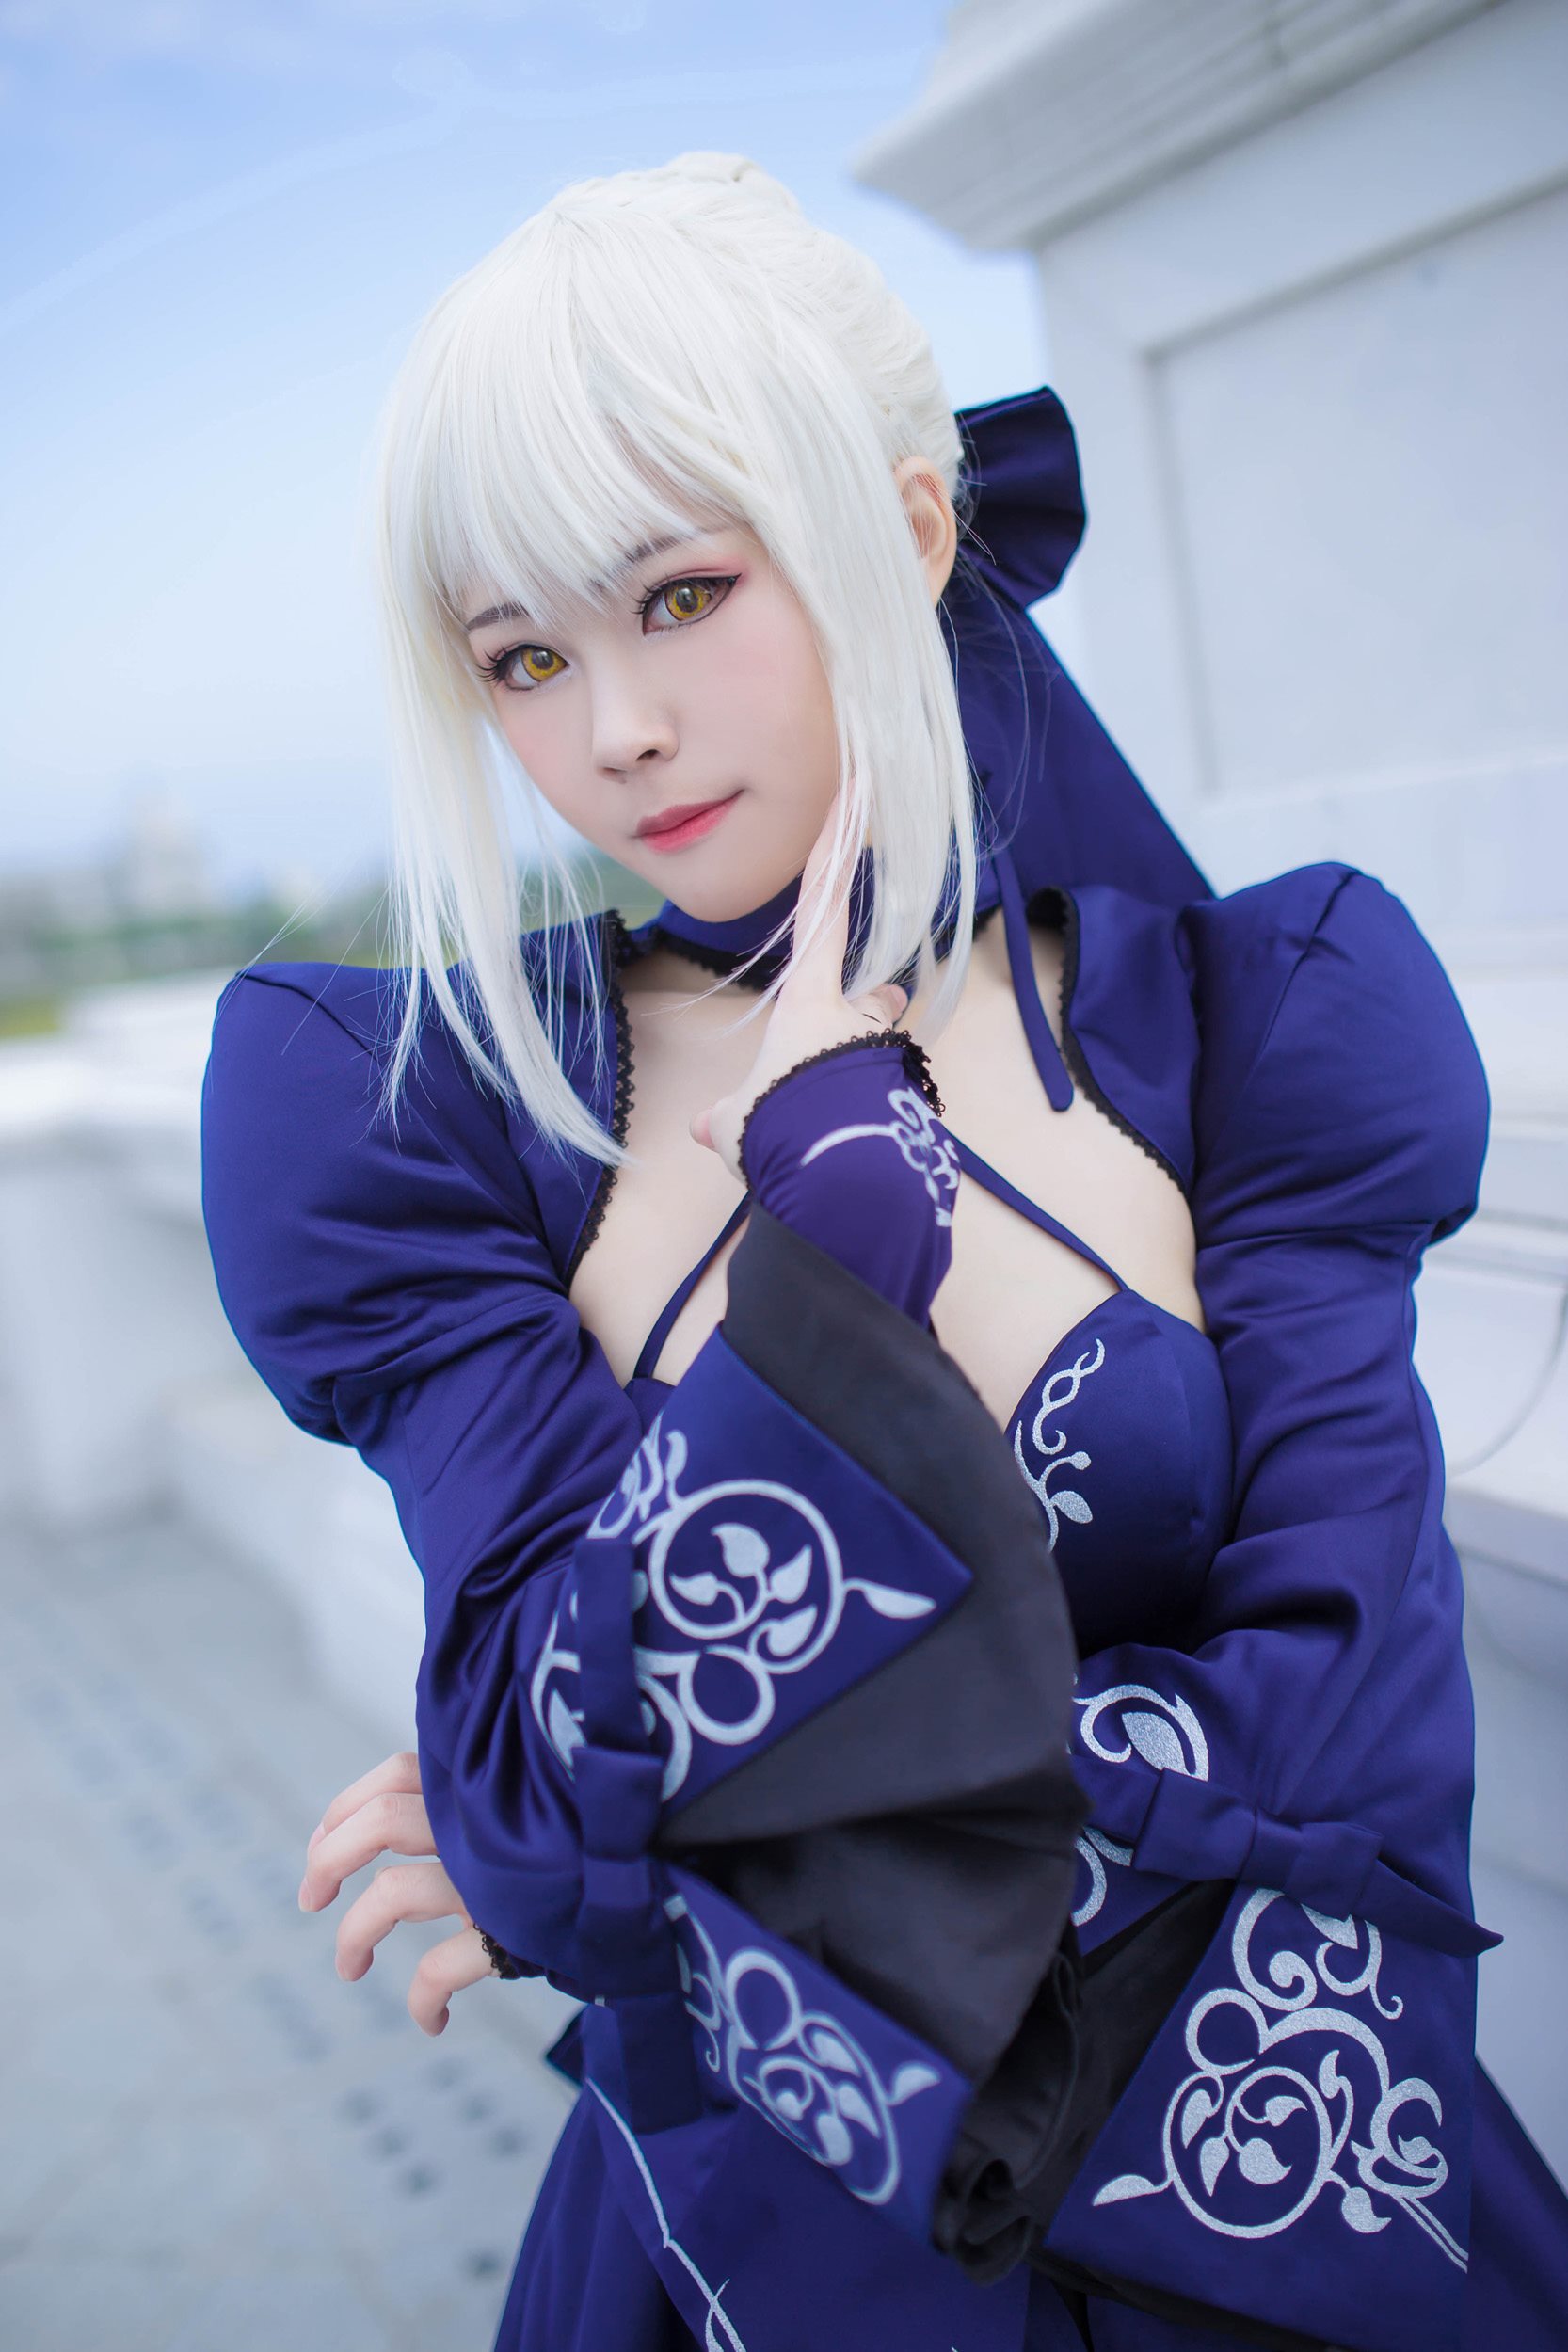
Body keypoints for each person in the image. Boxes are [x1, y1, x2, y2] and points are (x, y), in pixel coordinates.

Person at [200, 153, 1568, 2352]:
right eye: (523, 655)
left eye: (679, 594)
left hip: (1280, 2196)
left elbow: (1352, 1756)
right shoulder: (425, 1118)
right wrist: (829, 1259)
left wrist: (676, 1839)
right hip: (750, 2261)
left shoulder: (1251, 1030)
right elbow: (547, 1793)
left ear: (908, 530)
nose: (610, 730)